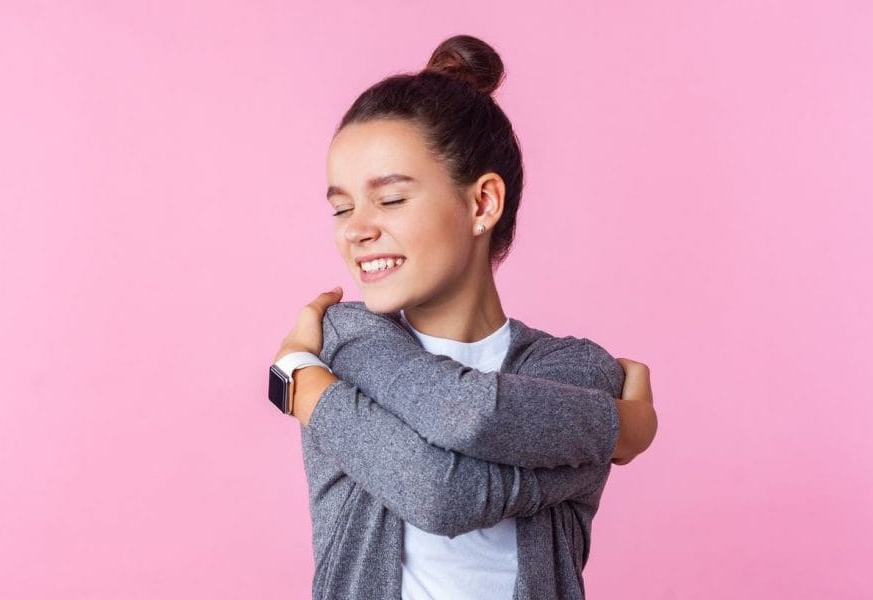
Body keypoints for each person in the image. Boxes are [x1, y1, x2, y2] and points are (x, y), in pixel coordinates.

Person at [271, 34, 658, 600]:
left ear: (482, 204)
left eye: (392, 199)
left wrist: (301, 386)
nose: (355, 229)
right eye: (341, 207)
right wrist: (622, 426)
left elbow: (465, 427)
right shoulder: (345, 342)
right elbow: (436, 492)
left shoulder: (575, 371)